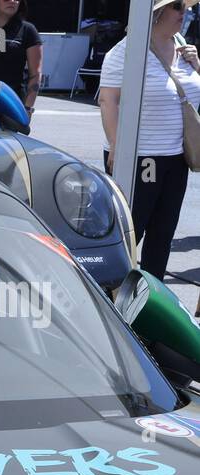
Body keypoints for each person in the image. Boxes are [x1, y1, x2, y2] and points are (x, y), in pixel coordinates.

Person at [99, 0, 200, 278]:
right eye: (177, 7)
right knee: (131, 231)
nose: (185, 12)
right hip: (140, 157)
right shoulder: (126, 52)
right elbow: (108, 101)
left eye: (185, 7)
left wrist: (197, 64)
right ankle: (112, 292)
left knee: (163, 233)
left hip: (177, 157)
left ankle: (151, 297)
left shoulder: (183, 48)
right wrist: (117, 147)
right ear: (157, 13)